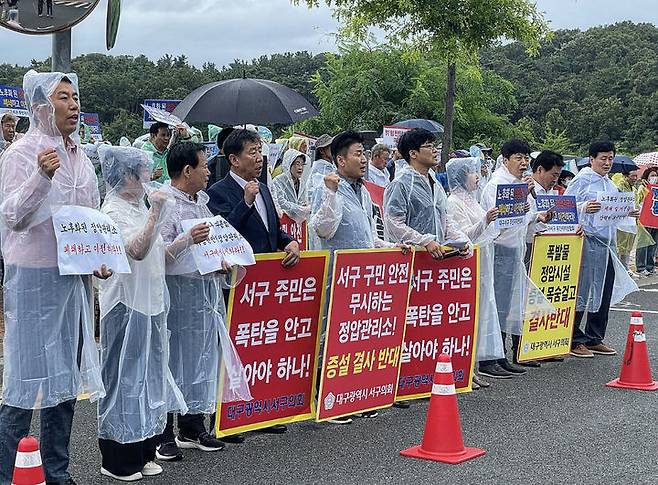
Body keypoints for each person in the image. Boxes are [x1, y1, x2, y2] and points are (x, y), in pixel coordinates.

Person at [0, 70, 112, 485]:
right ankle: (8, 473)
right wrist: (40, 176)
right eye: (63, 98)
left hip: (74, 281)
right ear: (41, 107)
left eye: (75, 97)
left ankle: (57, 472)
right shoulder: (22, 153)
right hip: (33, 280)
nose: (74, 105)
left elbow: (91, 217)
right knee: (24, 385)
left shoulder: (79, 155)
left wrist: (98, 258)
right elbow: (12, 216)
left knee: (64, 385)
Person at [96, 145, 187, 481]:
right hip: (124, 305)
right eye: (144, 171)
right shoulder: (112, 211)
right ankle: (117, 457)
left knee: (148, 378)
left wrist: (188, 239)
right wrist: (155, 214)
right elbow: (135, 250)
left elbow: (159, 255)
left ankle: (143, 448)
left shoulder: (139, 207)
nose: (150, 177)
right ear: (128, 175)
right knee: (122, 379)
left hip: (150, 304)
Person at [156, 142, 249, 460]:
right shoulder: (165, 203)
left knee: (200, 359)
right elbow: (158, 255)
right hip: (175, 296)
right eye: (205, 166)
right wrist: (185, 240)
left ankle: (193, 426)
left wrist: (225, 260)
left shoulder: (201, 205)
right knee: (171, 361)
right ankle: (164, 432)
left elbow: (214, 246)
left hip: (203, 298)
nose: (210, 171)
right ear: (187, 171)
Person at [207, 128, 300, 437]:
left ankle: (261, 411)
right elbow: (222, 233)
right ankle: (228, 415)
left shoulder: (263, 186)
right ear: (233, 159)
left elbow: (270, 228)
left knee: (261, 346)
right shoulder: (218, 191)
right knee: (231, 349)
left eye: (260, 151)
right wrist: (245, 202)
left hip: (267, 283)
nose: (259, 158)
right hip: (236, 283)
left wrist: (289, 242)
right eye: (252, 152)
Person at [310, 130, 402, 422]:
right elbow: (323, 228)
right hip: (338, 274)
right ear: (340, 160)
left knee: (354, 337)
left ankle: (352, 395)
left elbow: (365, 235)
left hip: (362, 277)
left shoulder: (363, 190)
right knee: (329, 336)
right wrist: (331, 193)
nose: (363, 160)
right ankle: (326, 398)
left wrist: (389, 246)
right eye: (357, 154)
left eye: (364, 154)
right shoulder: (327, 188)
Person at [478, 139, 553, 377]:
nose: (523, 163)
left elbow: (529, 217)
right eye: (518, 158)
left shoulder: (521, 186)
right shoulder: (496, 185)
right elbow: (493, 220)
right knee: (496, 304)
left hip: (516, 249)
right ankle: (489, 359)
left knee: (510, 305)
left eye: (526, 158)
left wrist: (537, 211)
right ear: (505, 159)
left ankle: (501, 356)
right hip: (499, 249)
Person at [565, 141, 639, 358]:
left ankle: (595, 336)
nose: (607, 163)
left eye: (610, 158)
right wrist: (584, 207)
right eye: (603, 158)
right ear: (591, 159)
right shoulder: (582, 180)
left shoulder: (609, 184)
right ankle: (575, 338)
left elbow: (612, 212)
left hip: (607, 243)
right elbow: (565, 205)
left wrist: (627, 212)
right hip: (587, 240)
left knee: (604, 288)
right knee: (584, 288)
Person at [446, 157, 506, 386]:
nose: (477, 176)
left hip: (484, 260)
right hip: (469, 264)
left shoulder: (472, 200)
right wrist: (485, 220)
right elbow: (461, 237)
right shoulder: (453, 202)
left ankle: (475, 366)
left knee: (482, 312)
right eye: (471, 172)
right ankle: (465, 367)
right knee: (470, 313)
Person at [383, 128, 469, 259]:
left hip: (438, 258)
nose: (435, 150)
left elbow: (444, 219)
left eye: (434, 146)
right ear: (413, 153)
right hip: (410, 259)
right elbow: (393, 223)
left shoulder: (434, 182)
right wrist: (424, 241)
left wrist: (459, 240)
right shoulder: (401, 183)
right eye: (429, 146)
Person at [271, 148, 311, 225]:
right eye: (297, 164)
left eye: (302, 164)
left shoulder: (301, 183)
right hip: (283, 223)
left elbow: (304, 201)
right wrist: (300, 209)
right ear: (289, 164)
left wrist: (305, 207)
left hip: (298, 226)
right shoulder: (278, 181)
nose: (300, 168)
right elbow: (280, 202)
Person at [611, 169, 639, 271]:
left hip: (631, 222)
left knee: (628, 248)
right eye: (632, 176)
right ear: (625, 176)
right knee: (619, 247)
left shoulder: (634, 189)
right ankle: (618, 271)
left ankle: (625, 270)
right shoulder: (619, 188)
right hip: (621, 223)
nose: (635, 178)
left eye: (636, 176)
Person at [635, 167, 658, 276]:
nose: (655, 178)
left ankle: (650, 266)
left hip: (655, 220)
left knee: (653, 244)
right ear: (647, 177)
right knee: (643, 244)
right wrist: (644, 188)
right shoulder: (643, 187)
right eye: (652, 175)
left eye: (656, 175)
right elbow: (638, 200)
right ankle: (641, 267)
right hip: (644, 220)